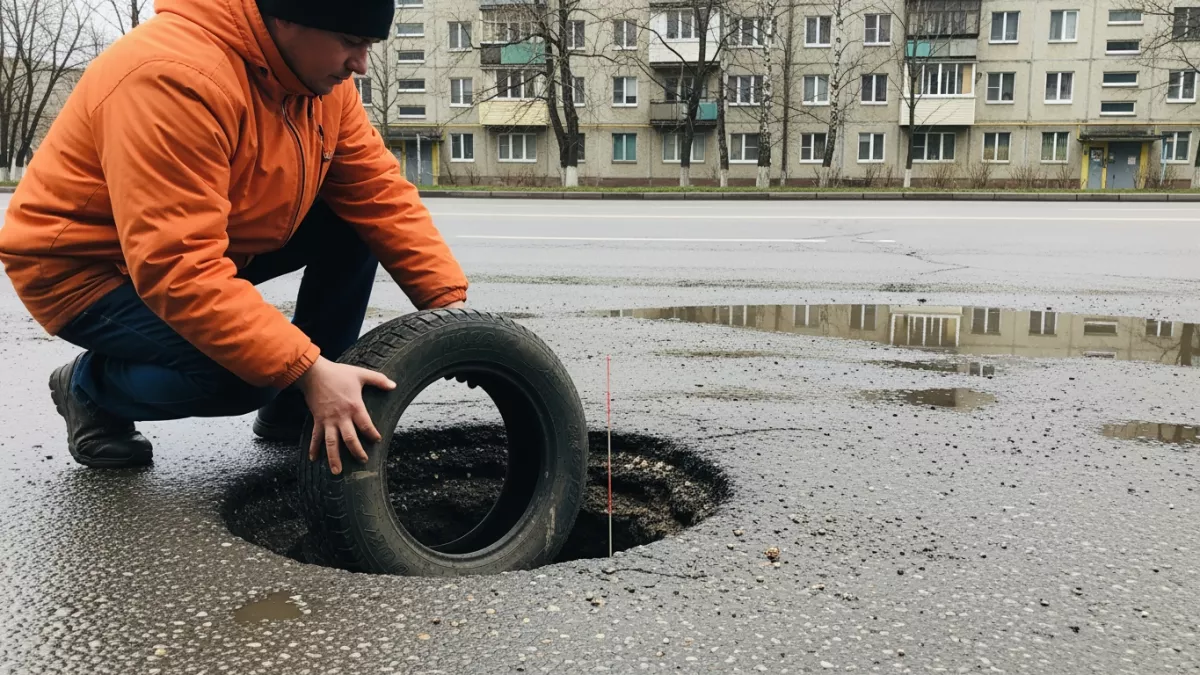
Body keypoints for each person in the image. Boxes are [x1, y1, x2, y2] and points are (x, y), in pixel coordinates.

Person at [0, 0, 469, 474]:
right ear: (287, 18)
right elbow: (178, 266)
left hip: (211, 238)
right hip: (86, 268)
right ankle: (88, 388)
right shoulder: (173, 76)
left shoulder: (322, 85)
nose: (361, 65)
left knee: (354, 222)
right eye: (351, 43)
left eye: (368, 45)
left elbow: (377, 193)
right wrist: (303, 369)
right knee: (246, 375)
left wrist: (451, 310)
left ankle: (296, 410)